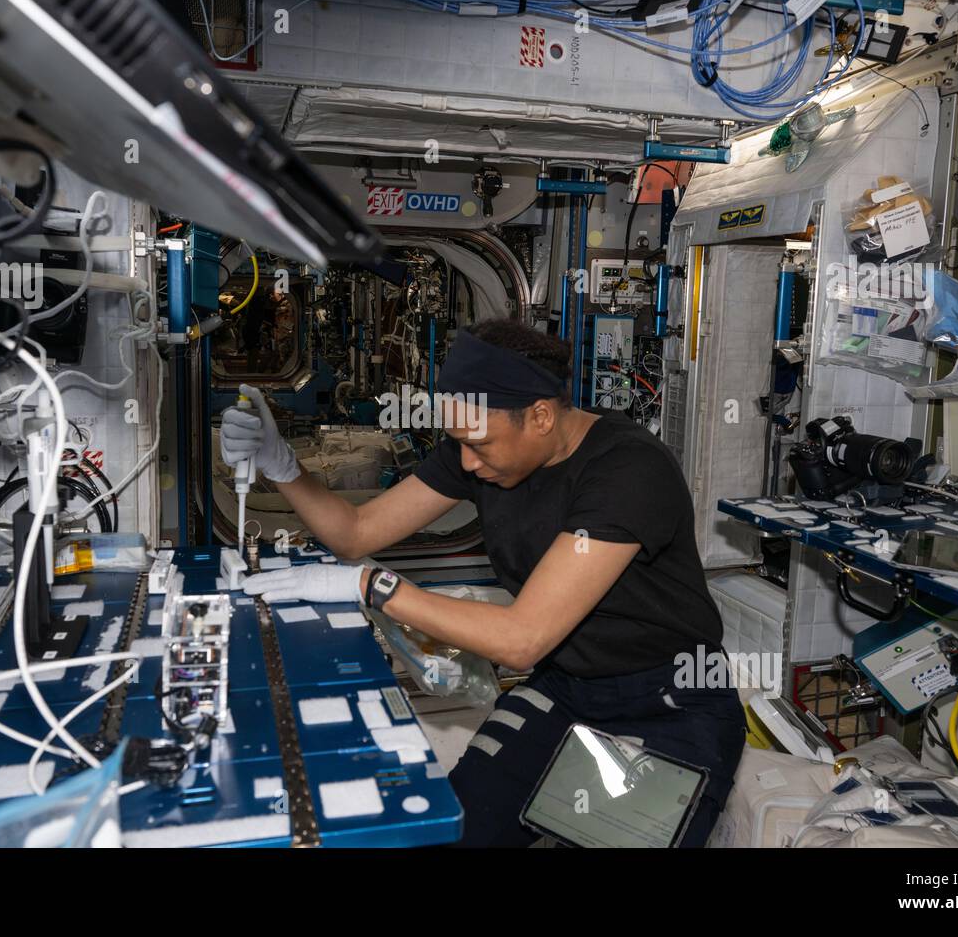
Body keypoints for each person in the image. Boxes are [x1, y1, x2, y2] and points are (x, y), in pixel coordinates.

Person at [219, 318, 745, 847]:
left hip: (669, 704)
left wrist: (374, 589)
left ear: (540, 416)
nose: (468, 462)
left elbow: (522, 639)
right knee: (457, 831)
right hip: (566, 689)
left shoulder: (628, 470)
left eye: (480, 444)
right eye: (458, 443)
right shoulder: (476, 452)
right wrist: (282, 465)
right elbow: (357, 533)